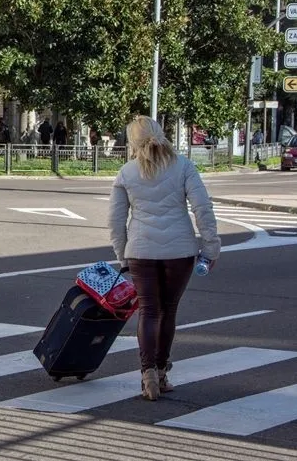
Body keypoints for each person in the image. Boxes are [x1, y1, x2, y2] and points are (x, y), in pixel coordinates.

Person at [108, 115, 220, 401]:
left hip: (141, 252)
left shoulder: (126, 173)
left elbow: (115, 221)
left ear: (132, 141)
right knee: (168, 310)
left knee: (148, 311)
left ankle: (147, 375)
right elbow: (202, 208)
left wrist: (123, 257)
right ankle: (161, 372)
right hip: (179, 251)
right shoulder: (183, 166)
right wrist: (210, 247)